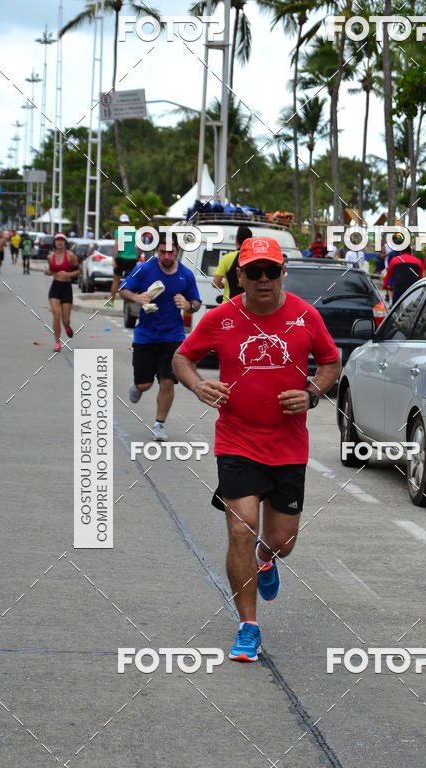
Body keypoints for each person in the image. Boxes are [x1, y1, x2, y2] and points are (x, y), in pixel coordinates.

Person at [173, 236, 342, 663]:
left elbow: (331, 363)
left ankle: (268, 559)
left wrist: (312, 392)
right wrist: (197, 386)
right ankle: (248, 626)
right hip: (237, 439)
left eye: (271, 271)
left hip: (287, 445)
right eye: (253, 272)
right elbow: (182, 358)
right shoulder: (221, 317)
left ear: (283, 272)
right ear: (240, 277)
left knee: (282, 541)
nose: (263, 280)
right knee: (240, 528)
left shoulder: (305, 316)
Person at [119, 229, 201, 442]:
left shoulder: (186, 275)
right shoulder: (143, 269)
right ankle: (138, 386)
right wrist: (137, 298)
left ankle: (159, 424)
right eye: (162, 252)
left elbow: (196, 303)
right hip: (146, 336)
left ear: (177, 251)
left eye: (170, 252)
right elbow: (123, 289)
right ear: (156, 250)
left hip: (173, 337)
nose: (166, 256)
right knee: (145, 384)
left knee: (167, 381)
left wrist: (188, 305)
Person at [44, 232, 80, 352]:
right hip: (55, 287)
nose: (59, 242)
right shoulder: (50, 257)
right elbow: (51, 271)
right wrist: (48, 273)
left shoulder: (71, 256)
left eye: (62, 240)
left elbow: (78, 271)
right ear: (54, 242)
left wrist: (68, 274)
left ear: (65, 242)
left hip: (66, 288)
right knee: (56, 314)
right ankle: (57, 343)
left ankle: (67, 327)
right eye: (57, 240)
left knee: (65, 320)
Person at [212, 224, 253, 302]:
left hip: (228, 305)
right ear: (250, 241)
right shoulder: (254, 258)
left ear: (236, 240)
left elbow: (215, 283)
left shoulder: (227, 258)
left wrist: (224, 286)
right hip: (249, 306)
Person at [110, 213, 141, 306]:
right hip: (131, 259)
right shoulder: (135, 231)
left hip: (120, 258)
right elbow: (140, 246)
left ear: (120, 222)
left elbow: (116, 245)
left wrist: (114, 259)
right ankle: (132, 301)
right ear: (128, 222)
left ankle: (111, 302)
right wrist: (137, 256)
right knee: (133, 280)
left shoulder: (118, 231)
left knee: (116, 280)